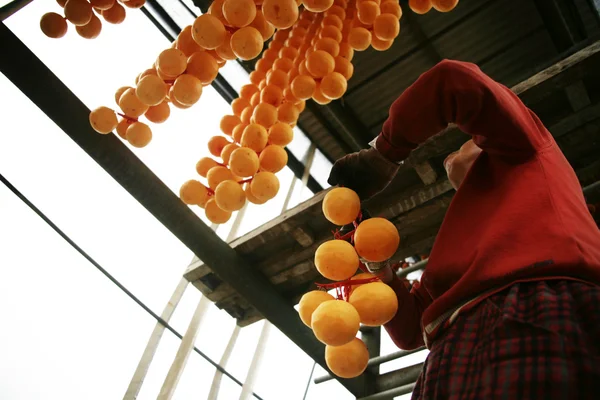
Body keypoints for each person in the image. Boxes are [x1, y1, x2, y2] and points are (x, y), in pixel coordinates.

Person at [328, 60, 600, 399]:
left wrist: (383, 154)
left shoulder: (529, 150)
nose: (452, 154)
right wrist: (376, 264)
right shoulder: (461, 234)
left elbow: (452, 81)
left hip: (531, 308)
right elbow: (412, 329)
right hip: (448, 352)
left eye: (465, 142)